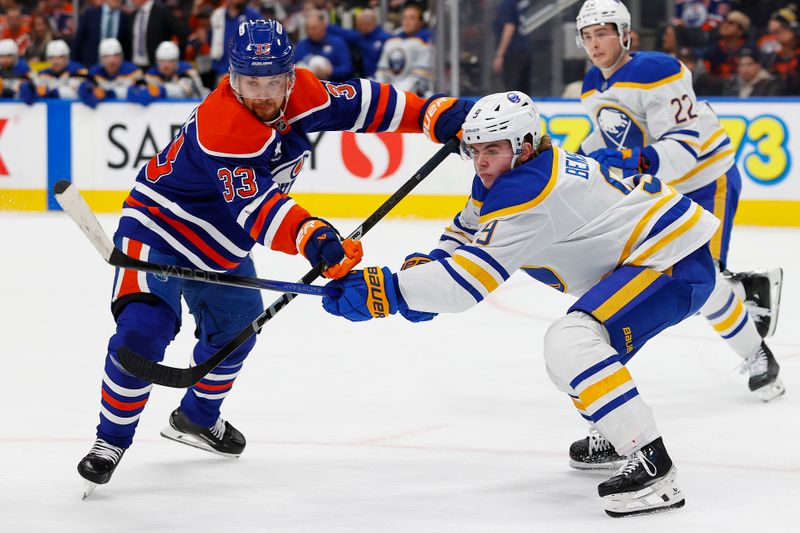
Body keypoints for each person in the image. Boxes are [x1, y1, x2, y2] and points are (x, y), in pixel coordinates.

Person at [75, 18, 473, 497]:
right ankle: (109, 441)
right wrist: (315, 237)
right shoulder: (223, 126)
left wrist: (436, 114)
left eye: (272, 82)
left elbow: (369, 103)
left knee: (236, 337)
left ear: (289, 76)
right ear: (231, 77)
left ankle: (196, 419)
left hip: (222, 245)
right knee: (142, 331)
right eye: (249, 82)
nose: (262, 94)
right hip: (159, 229)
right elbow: (257, 209)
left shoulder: (303, 94)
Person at [321, 90, 721, 517]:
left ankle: (655, 469)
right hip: (651, 256)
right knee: (566, 359)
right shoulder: (511, 173)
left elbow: (465, 285)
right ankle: (613, 434)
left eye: (492, 149)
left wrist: (391, 291)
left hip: (672, 261)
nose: (481, 161)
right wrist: (427, 266)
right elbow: (467, 229)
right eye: (475, 150)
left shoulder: (530, 191)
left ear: (524, 146)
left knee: (571, 342)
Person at [570, 0, 785, 470]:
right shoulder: (591, 83)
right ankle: (744, 301)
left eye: (603, 34)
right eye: (587, 37)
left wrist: (639, 162)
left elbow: (686, 144)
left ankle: (757, 354)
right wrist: (573, 157)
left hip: (707, 180)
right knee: (628, 283)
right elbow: (608, 137)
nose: (594, 44)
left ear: (625, 34)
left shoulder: (658, 70)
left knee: (705, 282)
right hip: (658, 189)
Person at [375, 2, 433, 96]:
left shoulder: (426, 43)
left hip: (414, 97)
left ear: (421, 22)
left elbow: (420, 77)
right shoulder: (391, 42)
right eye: (405, 17)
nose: (407, 21)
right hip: (392, 94)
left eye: (412, 18)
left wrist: (399, 94)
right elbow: (382, 72)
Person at [78, 38, 143, 108]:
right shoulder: (94, 72)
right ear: (101, 59)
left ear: (121, 57)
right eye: (107, 57)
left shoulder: (133, 71)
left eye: (116, 56)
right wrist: (92, 95)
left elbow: (139, 93)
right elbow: (82, 91)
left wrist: (108, 93)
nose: (112, 61)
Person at [136, 40, 208, 102]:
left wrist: (162, 90)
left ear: (176, 61)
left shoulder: (187, 71)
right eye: (162, 61)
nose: (166, 66)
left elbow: (185, 92)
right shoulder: (152, 74)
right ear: (157, 62)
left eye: (170, 61)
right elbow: (144, 91)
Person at [294, 9, 352, 81]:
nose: (311, 32)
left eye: (314, 28)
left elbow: (347, 68)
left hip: (333, 86)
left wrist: (331, 71)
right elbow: (294, 69)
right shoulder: (301, 45)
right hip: (309, 85)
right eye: (308, 29)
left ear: (323, 26)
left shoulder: (337, 42)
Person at [492, 0, 533, 94]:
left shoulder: (507, 4)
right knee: (523, 91)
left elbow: (509, 27)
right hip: (524, 50)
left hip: (512, 52)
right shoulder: (519, 3)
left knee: (512, 90)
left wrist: (500, 55)